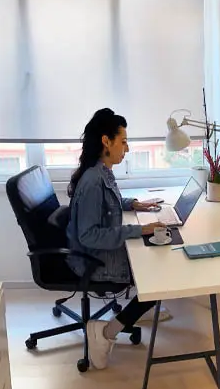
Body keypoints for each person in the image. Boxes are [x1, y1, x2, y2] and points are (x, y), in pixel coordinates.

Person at [66, 108, 164, 370]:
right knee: (156, 278)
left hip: (100, 253)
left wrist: (134, 205)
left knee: (156, 260)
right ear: (106, 141)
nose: (127, 148)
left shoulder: (101, 171)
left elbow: (108, 205)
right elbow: (88, 234)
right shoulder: (92, 181)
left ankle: (131, 314)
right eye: (123, 141)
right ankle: (106, 333)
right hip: (93, 261)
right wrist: (138, 230)